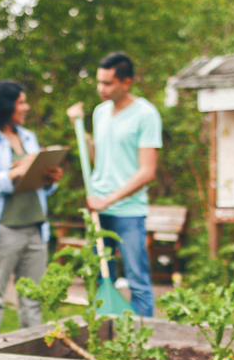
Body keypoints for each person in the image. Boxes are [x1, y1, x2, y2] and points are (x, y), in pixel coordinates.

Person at [64, 52, 162, 317]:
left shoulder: (145, 115)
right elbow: (100, 159)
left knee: (137, 280)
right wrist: (80, 130)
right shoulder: (100, 112)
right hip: (99, 209)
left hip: (128, 211)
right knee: (98, 277)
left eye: (108, 83)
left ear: (126, 82)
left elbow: (147, 171)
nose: (101, 89)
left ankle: (144, 340)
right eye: (99, 82)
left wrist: (108, 199)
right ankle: (106, 332)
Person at [0, 80, 63, 338]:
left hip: (35, 228)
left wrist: (49, 179)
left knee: (33, 298)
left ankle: (31, 355)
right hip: (3, 230)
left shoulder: (28, 136)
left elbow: (37, 186)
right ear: (5, 105)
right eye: (21, 102)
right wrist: (16, 172)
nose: (26, 107)